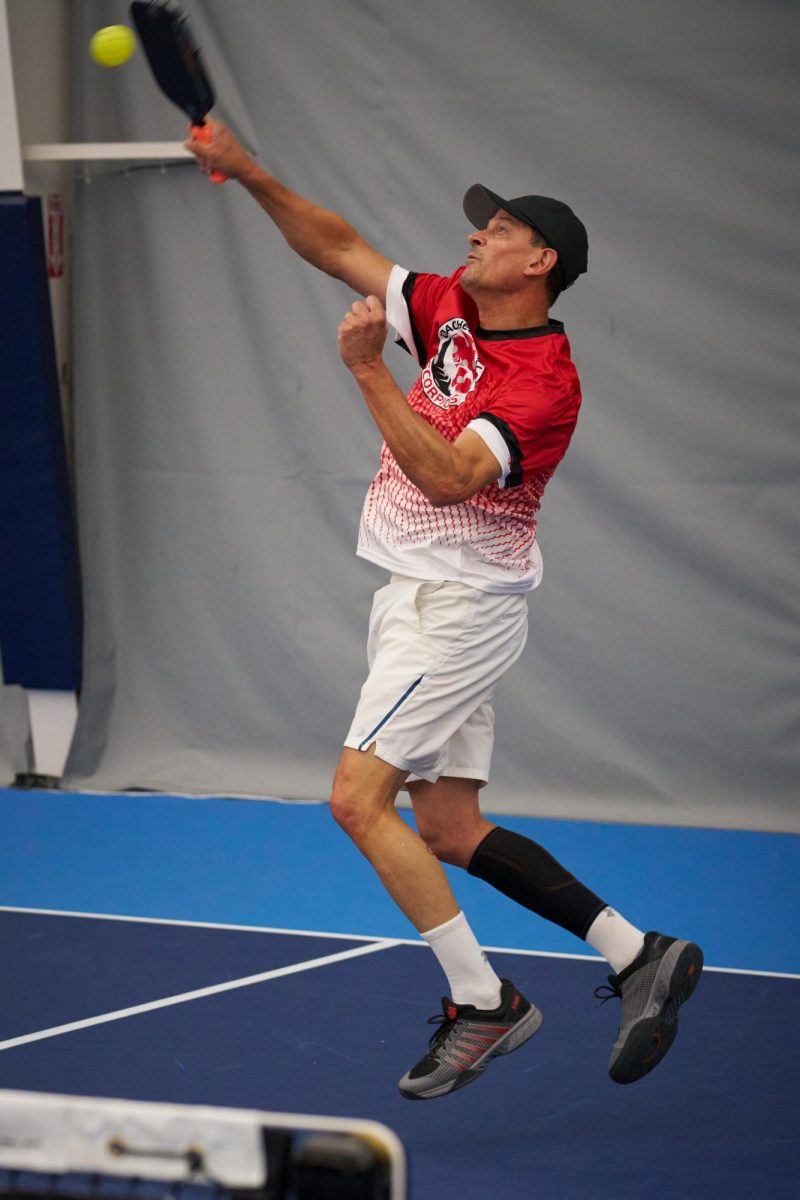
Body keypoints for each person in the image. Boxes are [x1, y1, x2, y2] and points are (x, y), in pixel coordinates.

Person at [186, 123, 703, 1101]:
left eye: (496, 229)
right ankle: (637, 953)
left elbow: (451, 478)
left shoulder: (541, 382)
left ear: (539, 262)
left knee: (354, 800)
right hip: (423, 603)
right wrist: (250, 170)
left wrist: (368, 370)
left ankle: (483, 1001)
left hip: (454, 613)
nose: (473, 240)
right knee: (451, 828)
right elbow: (336, 244)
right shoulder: (451, 311)